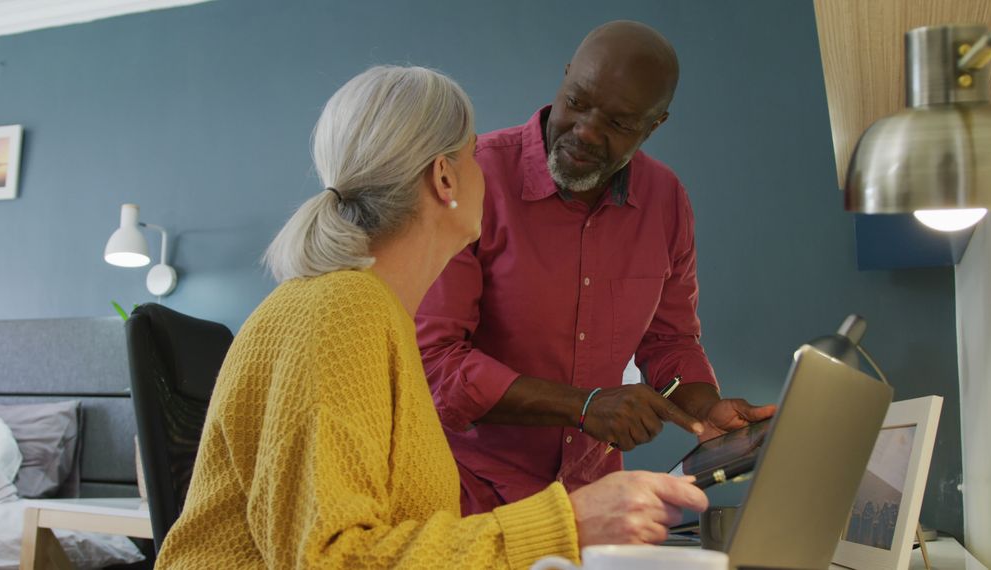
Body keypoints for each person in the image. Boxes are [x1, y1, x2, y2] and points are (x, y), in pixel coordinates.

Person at [155, 65, 709, 569]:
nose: (487, 171)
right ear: (445, 180)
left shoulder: (374, 313)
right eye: (472, 157)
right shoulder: (338, 312)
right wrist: (567, 524)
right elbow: (331, 560)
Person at [417, 21, 776, 515]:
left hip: (592, 503)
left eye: (619, 122)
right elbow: (434, 363)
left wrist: (702, 408)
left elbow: (669, 340)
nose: (586, 131)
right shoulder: (472, 179)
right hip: (466, 499)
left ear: (654, 125)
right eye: (578, 102)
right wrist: (582, 406)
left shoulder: (666, 200)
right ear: (565, 78)